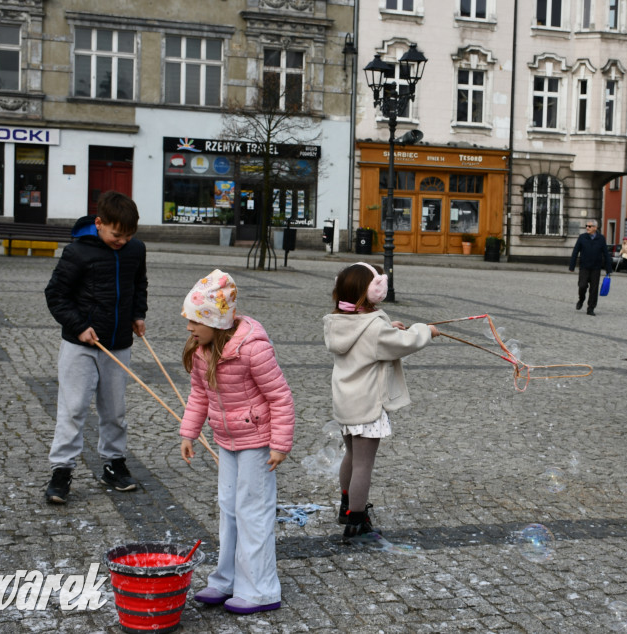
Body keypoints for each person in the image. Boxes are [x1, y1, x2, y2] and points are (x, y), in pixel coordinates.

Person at [179, 269, 295, 615]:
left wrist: (279, 444)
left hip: (257, 441)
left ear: (216, 320)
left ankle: (260, 589)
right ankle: (225, 578)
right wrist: (189, 432)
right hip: (227, 439)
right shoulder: (202, 350)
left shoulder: (252, 349)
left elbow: (281, 397)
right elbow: (199, 394)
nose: (189, 327)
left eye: (195, 320)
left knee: (253, 510)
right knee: (228, 506)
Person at [43, 190, 148, 504]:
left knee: (115, 411)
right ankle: (61, 471)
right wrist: (79, 326)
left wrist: (138, 314)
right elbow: (55, 295)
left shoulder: (136, 250)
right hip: (81, 344)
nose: (123, 241)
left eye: (129, 235)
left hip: (118, 344)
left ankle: (113, 464)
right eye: (117, 234)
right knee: (73, 409)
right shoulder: (78, 252)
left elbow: (138, 283)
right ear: (99, 223)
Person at [323, 262, 439, 542]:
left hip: (347, 402)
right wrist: (427, 331)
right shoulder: (374, 328)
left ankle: (346, 506)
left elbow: (378, 335)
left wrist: (390, 326)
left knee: (351, 456)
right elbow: (404, 343)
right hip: (367, 405)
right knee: (364, 465)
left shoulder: (340, 321)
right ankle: (355, 523)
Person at [568, 219, 613, 316]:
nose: (587, 228)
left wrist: (608, 269)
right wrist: (572, 265)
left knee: (594, 289)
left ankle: (591, 308)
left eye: (589, 226)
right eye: (586, 226)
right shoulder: (582, 237)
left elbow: (605, 253)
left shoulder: (601, 238)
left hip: (596, 268)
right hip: (584, 266)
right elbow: (575, 251)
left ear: (595, 228)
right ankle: (581, 299)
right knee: (582, 285)